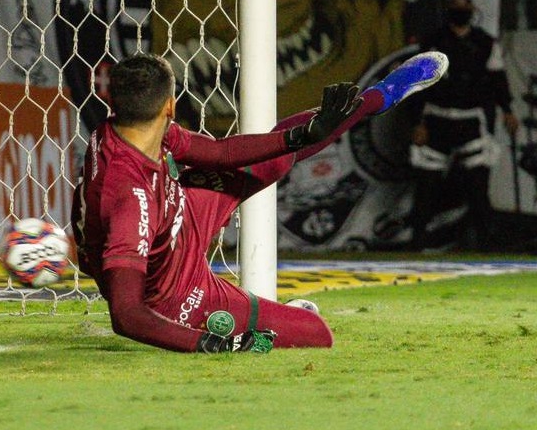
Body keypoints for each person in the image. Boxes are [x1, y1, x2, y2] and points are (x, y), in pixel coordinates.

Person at [72, 49, 449, 353]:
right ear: (170, 105)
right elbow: (128, 315)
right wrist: (206, 344)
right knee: (316, 333)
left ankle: (378, 97)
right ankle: (274, 316)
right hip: (177, 295)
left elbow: (221, 153)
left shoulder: (131, 130)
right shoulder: (129, 198)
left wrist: (301, 135)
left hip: (178, 217)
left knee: (276, 153)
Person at [408, 0, 519, 251]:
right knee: (426, 184)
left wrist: (507, 110)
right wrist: (417, 122)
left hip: (471, 121)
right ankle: (417, 243)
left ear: (472, 11)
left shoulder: (485, 43)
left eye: (465, 7)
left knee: (478, 185)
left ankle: (485, 243)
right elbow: (417, 85)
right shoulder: (433, 41)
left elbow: (497, 79)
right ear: (448, 11)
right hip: (436, 119)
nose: (460, 12)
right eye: (455, 7)